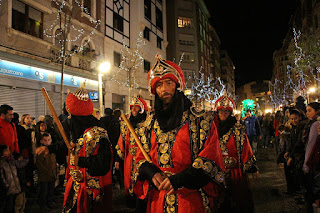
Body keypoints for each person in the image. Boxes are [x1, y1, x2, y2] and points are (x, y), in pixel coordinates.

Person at [133, 56, 225, 213]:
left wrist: (180, 179)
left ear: (178, 85)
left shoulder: (200, 122)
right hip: (158, 199)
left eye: (169, 83)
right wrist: (150, 171)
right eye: (159, 85)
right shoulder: (147, 125)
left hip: (189, 199)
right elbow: (140, 158)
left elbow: (210, 159)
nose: (165, 89)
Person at [61, 84, 113, 213]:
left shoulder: (98, 133)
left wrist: (82, 161)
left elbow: (104, 163)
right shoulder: (78, 132)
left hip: (92, 189)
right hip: (76, 185)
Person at [213, 94, 256, 212]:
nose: (223, 114)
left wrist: (250, 166)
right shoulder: (211, 130)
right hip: (215, 171)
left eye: (226, 111)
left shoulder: (238, 130)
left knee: (237, 202)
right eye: (221, 111)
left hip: (234, 171)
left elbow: (245, 147)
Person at [115, 95, 148, 209]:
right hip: (130, 157)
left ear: (142, 109)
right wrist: (118, 159)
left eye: (136, 107)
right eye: (132, 107)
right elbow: (121, 142)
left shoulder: (147, 124)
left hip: (143, 157)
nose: (133, 110)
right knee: (129, 180)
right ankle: (131, 199)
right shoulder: (126, 124)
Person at [302, 102, 320, 211]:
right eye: (307, 110)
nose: (307, 113)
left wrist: (306, 162)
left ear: (316, 111)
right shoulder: (311, 122)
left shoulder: (315, 123)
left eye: (310, 110)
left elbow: (311, 143)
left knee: (315, 187)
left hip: (315, 159)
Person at [0, 144, 28, 213]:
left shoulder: (11, 160)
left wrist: (26, 158)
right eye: (6, 150)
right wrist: (6, 186)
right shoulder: (1, 163)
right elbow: (2, 176)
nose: (9, 152)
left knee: (14, 205)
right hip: (7, 189)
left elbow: (19, 165)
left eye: (8, 150)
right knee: (7, 206)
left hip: (15, 186)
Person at [36, 133, 57, 211]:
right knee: (44, 191)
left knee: (50, 190)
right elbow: (39, 163)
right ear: (41, 141)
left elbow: (54, 161)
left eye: (48, 140)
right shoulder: (41, 151)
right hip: (44, 176)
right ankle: (43, 204)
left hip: (52, 175)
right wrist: (46, 171)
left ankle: (50, 202)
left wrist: (55, 170)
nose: (47, 142)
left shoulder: (52, 150)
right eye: (45, 140)